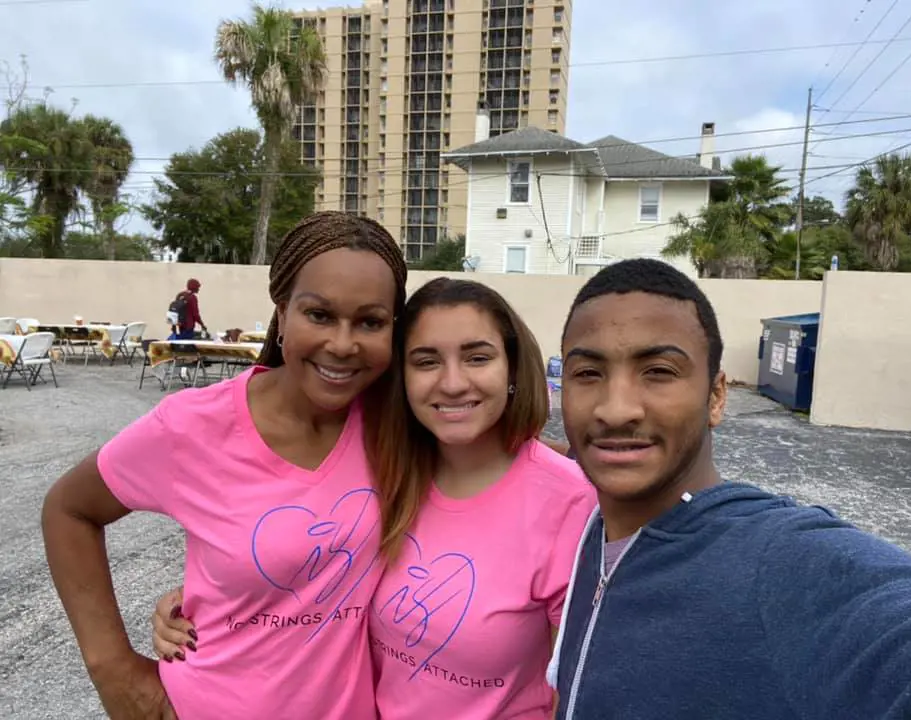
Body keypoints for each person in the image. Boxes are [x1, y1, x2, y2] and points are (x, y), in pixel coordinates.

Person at [151, 278, 596, 719]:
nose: (453, 383)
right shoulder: (384, 470)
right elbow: (298, 564)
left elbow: (583, 685)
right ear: (401, 379)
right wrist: (198, 604)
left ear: (514, 369)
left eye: (477, 357)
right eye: (426, 362)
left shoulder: (567, 500)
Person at [547, 258, 911, 719]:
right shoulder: (600, 531)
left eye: (659, 371)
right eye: (588, 374)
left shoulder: (781, 562)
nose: (615, 409)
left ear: (716, 396)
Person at [41, 212, 408, 720]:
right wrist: (115, 669)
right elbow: (69, 510)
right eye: (319, 315)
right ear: (281, 311)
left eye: (370, 321)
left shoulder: (400, 430)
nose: (343, 344)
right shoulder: (193, 426)